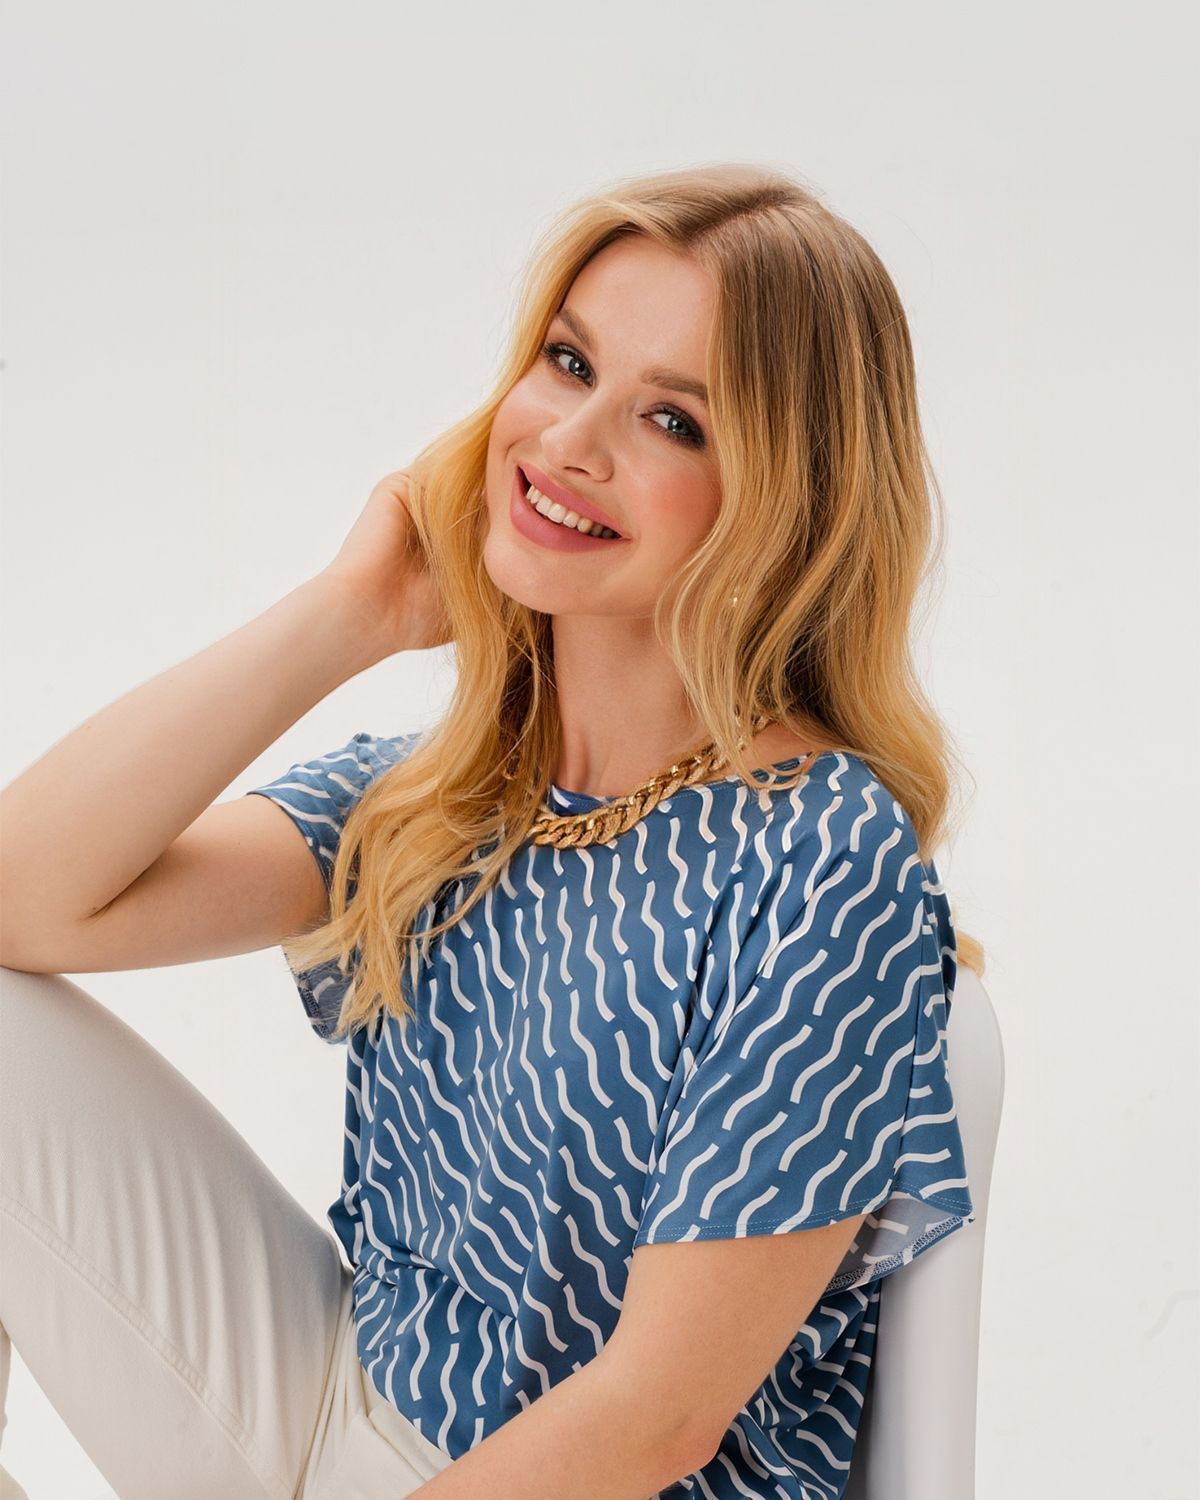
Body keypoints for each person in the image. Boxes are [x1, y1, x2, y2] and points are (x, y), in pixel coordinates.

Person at [0, 162, 984, 1499]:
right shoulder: (452, 795)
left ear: (785, 504)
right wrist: (351, 613)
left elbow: (654, 1419)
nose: (571, 441)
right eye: (568, 362)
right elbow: (25, 904)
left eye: (674, 422)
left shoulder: (816, 859)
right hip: (342, 1396)